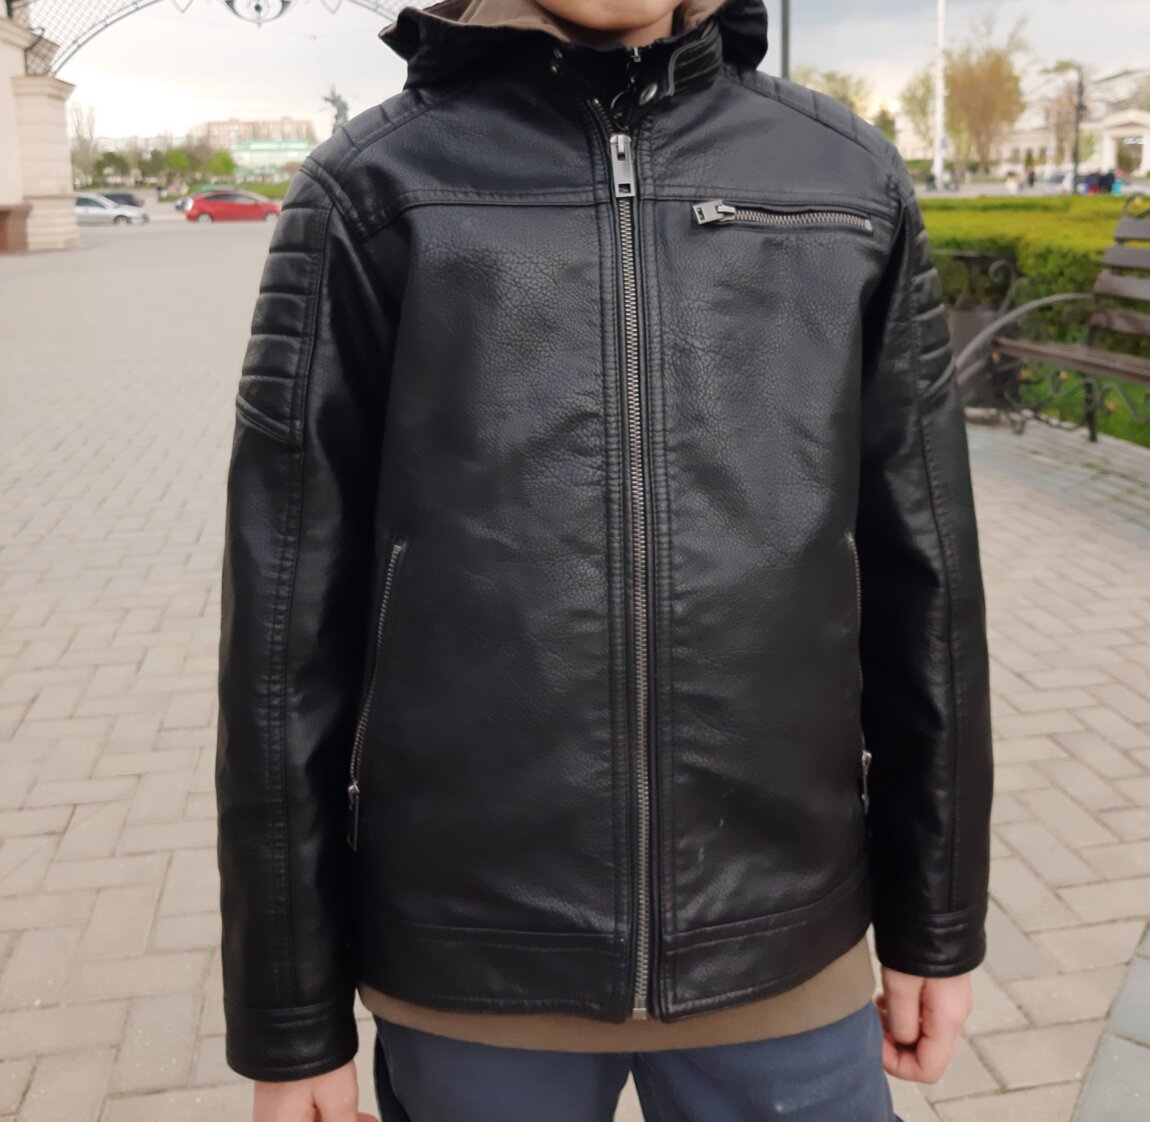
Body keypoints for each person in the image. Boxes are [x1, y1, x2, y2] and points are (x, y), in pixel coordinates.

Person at [214, 0, 994, 1119]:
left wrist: (937, 916)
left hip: (785, 945)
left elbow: (930, 584)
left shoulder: (843, 177)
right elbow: (281, 633)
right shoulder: (372, 189)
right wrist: (290, 1019)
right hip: (473, 966)